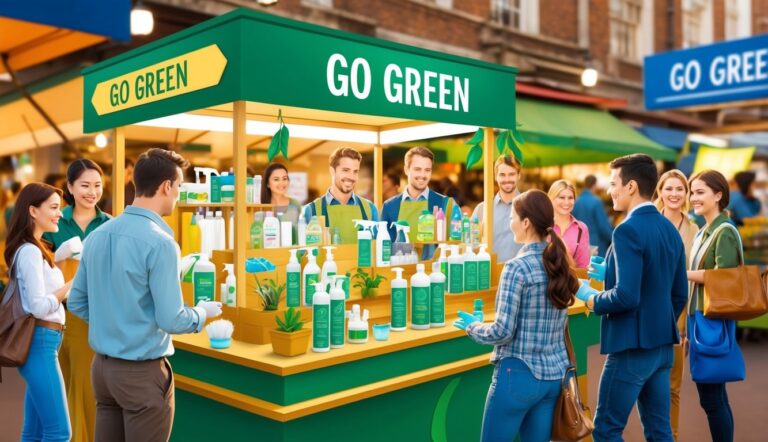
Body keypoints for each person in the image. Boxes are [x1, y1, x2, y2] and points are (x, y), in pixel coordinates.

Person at [67, 148, 222, 442]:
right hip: (141, 373)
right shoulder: (161, 243)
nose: (177, 195)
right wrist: (203, 312)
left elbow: (76, 300)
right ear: (166, 186)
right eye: (178, 187)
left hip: (102, 370)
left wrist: (114, 321)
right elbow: (172, 319)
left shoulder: (98, 235)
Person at [575, 154, 688, 441]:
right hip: (662, 346)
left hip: (631, 349)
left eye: (614, 183)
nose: (610, 190)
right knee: (660, 430)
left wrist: (589, 297)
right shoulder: (669, 229)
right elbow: (678, 294)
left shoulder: (627, 230)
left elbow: (626, 296)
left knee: (606, 430)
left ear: (631, 187)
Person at [455, 190, 579, 441]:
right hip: (554, 378)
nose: (509, 222)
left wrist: (473, 326)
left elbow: (502, 331)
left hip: (518, 375)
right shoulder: (560, 263)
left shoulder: (516, 267)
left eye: (512, 216)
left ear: (525, 222)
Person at [40, 159, 110, 442]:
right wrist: (57, 258)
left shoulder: (110, 225)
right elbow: (37, 268)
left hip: (93, 315)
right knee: (61, 386)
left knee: (86, 385)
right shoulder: (54, 222)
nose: (91, 192)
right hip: (55, 315)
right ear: (69, 187)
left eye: (97, 185)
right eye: (84, 185)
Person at [5, 183, 72, 441]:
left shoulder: (35, 248)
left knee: (33, 431)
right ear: (33, 211)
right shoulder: (30, 251)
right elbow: (38, 306)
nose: (60, 214)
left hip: (43, 342)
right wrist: (72, 284)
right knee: (59, 432)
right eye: (54, 207)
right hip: (40, 343)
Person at [686, 170, 741, 442]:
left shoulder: (724, 231)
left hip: (712, 320)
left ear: (718, 195)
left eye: (700, 192)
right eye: (692, 192)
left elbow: (725, 279)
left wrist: (682, 272)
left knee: (712, 398)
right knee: (714, 396)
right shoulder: (705, 231)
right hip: (701, 319)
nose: (693, 198)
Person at [653, 169, 699, 442]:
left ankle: (672, 436)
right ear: (659, 191)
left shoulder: (693, 228)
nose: (673, 194)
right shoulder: (650, 223)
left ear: (686, 194)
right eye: (668, 188)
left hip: (680, 315)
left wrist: (686, 326)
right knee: (647, 384)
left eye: (679, 189)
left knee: (672, 387)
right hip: (651, 312)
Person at [381, 147, 460, 259]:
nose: (423, 175)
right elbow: (383, 251)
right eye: (417, 169)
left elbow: (457, 246)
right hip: (399, 273)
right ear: (406, 169)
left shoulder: (447, 204)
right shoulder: (389, 207)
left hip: (435, 273)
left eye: (427, 170)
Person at [302, 147, 379, 244]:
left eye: (355, 171)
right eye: (346, 170)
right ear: (332, 171)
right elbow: (303, 253)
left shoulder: (370, 209)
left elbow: (378, 250)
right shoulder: (311, 210)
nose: (351, 177)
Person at [471, 155, 523, 262]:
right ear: (496, 177)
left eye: (512, 174)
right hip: (488, 273)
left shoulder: (530, 207)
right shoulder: (481, 210)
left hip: (520, 275)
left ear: (519, 175)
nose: (507, 179)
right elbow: (471, 245)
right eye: (502, 175)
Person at [548, 179, 590, 268]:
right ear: (551, 199)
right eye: (561, 197)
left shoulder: (581, 228)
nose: (567, 202)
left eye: (570, 198)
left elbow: (582, 267)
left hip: (569, 280)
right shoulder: (542, 225)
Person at [573, 175, 613, 257]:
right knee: (596, 269)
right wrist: (613, 239)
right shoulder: (596, 201)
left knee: (583, 269)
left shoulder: (576, 202)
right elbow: (603, 226)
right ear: (594, 185)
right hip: (596, 245)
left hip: (579, 244)